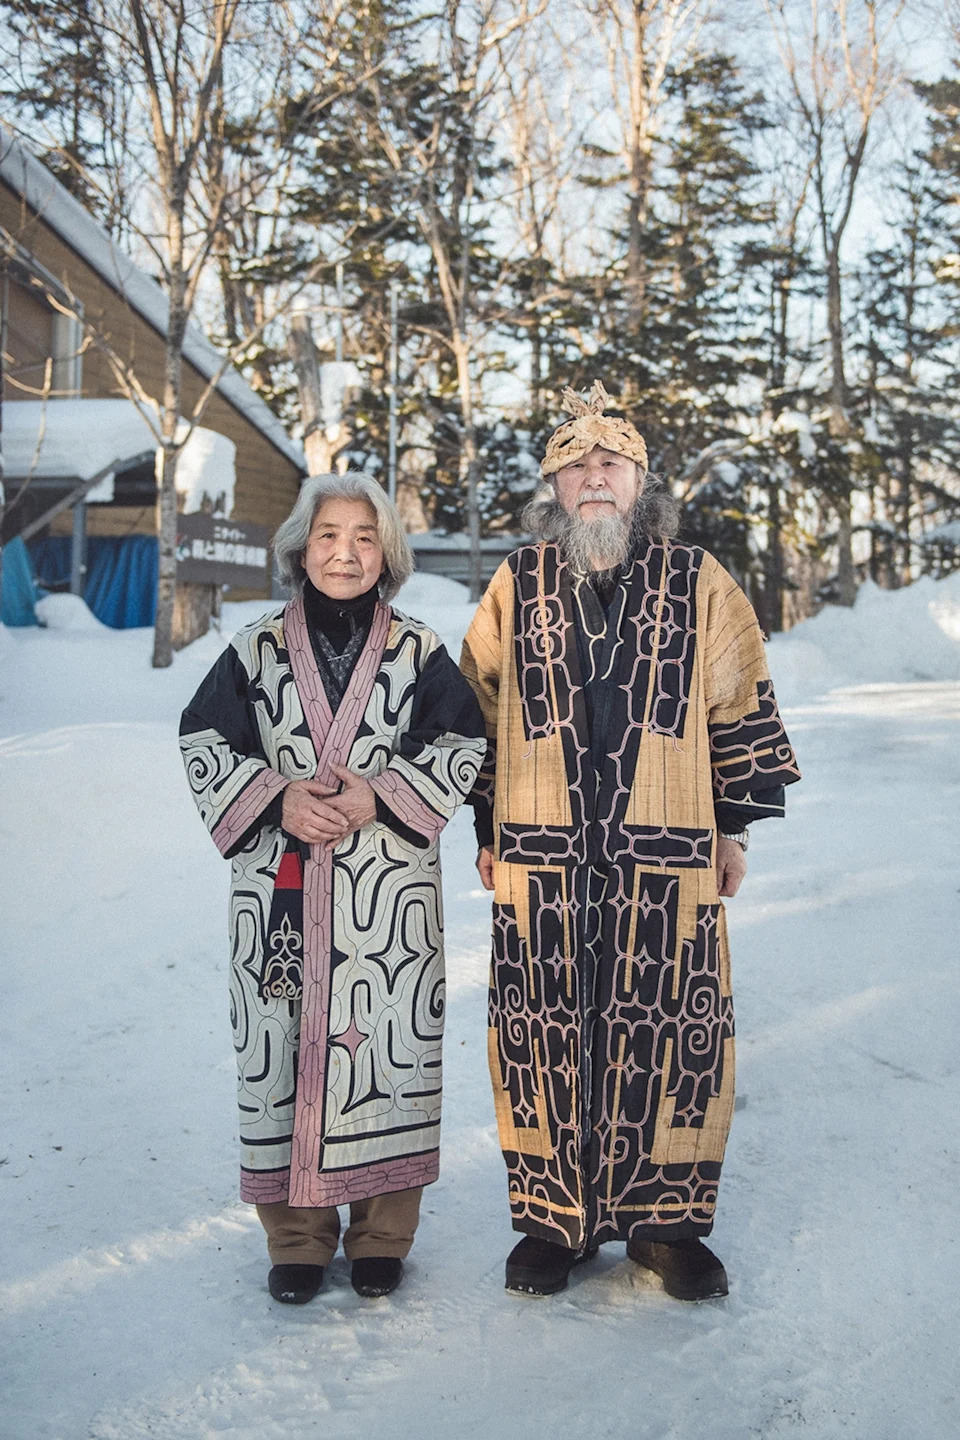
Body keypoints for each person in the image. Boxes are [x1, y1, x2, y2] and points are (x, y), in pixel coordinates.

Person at [460, 381, 800, 1302]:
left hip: (669, 853)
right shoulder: (515, 584)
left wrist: (730, 826)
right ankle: (551, 1221)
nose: (594, 476)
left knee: (676, 1028)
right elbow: (477, 712)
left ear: (640, 481)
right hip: (543, 857)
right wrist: (488, 831)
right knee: (542, 1028)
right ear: (554, 490)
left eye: (612, 462)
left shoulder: (699, 580)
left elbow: (739, 701)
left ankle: (668, 1226)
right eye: (576, 465)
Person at [180, 473, 485, 1304]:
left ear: (386, 551)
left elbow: (463, 742)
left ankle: (384, 1234)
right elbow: (205, 739)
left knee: (390, 1046)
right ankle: (298, 1240)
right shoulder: (253, 650)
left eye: (362, 536)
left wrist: (376, 794)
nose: (344, 553)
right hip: (278, 893)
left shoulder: (420, 650)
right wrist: (278, 798)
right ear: (298, 548)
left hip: (386, 902)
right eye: (327, 536)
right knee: (276, 1049)